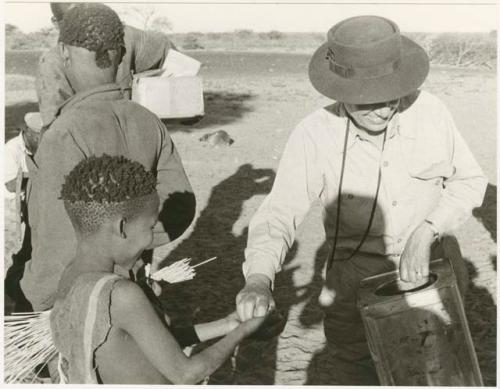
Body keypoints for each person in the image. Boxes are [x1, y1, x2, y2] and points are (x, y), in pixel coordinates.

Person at [235, 15, 487, 385]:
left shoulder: (432, 113)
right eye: (368, 102)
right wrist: (258, 278)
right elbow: (278, 213)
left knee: (440, 374)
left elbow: (469, 181)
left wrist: (427, 231)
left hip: (433, 274)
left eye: (392, 96)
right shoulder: (313, 135)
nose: (384, 109)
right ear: (339, 92)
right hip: (354, 286)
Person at [22, 3, 195, 311]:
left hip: (76, 298)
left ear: (64, 52)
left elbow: (56, 241)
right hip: (131, 288)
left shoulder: (64, 133)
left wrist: (41, 299)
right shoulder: (150, 122)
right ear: (121, 51)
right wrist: (130, 248)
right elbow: (180, 206)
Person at [50, 154, 267, 384]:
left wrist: (227, 325)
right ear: (122, 227)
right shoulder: (121, 295)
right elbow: (186, 374)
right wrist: (241, 333)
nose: (151, 238)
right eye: (151, 227)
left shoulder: (71, 280)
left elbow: (155, 344)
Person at [36, 2, 178, 129]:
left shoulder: (125, 38)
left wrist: (178, 100)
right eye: (71, 19)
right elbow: (54, 129)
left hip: (132, 138)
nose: (82, 23)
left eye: (85, 13)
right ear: (56, 23)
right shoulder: (51, 64)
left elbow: (167, 49)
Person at [4, 113, 42, 313]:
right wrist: (36, 174)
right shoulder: (10, 150)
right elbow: (11, 185)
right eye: (37, 135)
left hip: (28, 211)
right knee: (10, 259)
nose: (40, 139)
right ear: (26, 132)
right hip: (9, 214)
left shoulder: (40, 148)